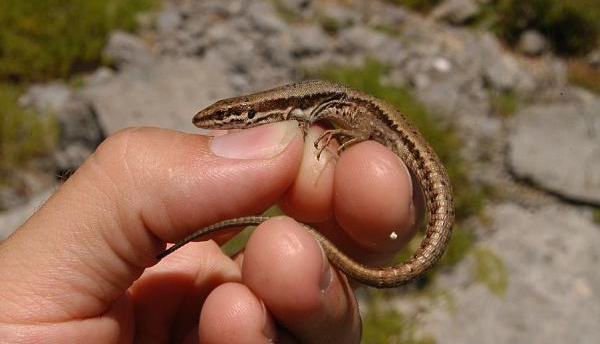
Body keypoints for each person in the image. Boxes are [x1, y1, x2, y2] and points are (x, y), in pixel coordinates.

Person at [0, 120, 419, 343]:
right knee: (284, 271)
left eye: (224, 118)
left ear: (249, 117)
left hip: (393, 138)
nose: (213, 124)